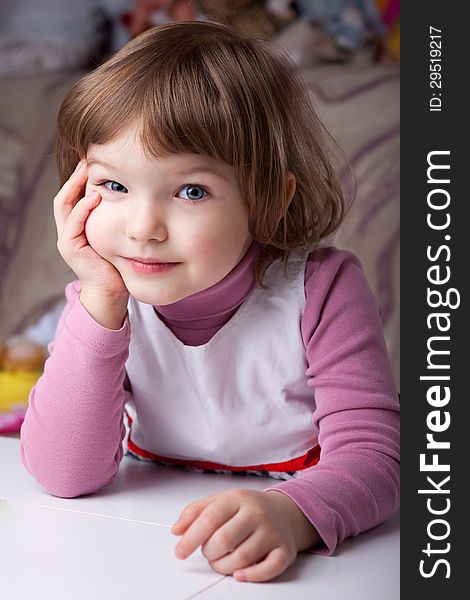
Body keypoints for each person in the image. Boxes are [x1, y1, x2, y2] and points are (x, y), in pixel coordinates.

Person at [20, 20, 400, 583]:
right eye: (115, 187)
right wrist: (98, 306)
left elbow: (378, 460)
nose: (143, 228)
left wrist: (292, 515)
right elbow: (62, 474)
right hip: (137, 543)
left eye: (191, 191)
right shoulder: (106, 300)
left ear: (267, 200)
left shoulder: (321, 289)